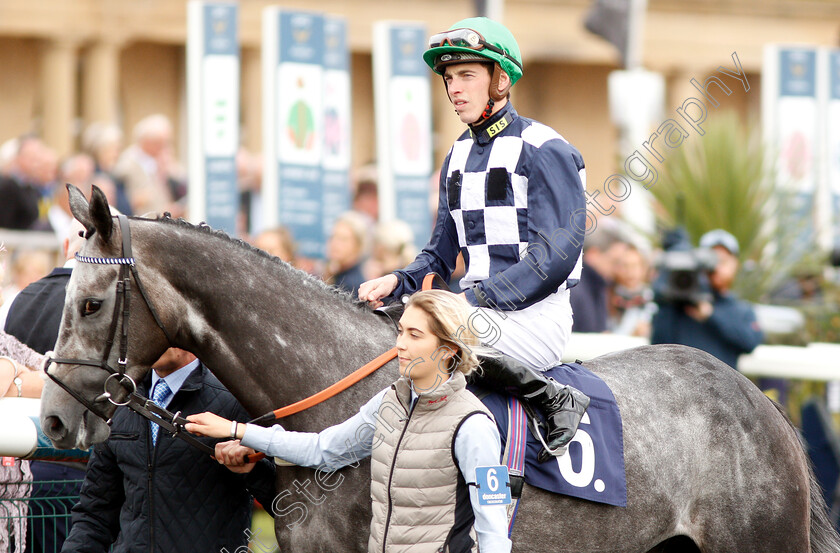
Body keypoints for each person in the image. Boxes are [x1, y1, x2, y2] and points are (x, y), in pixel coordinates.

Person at [358, 17, 589, 457]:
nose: (455, 89)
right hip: (474, 312)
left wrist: (476, 299)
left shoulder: (545, 148)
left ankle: (553, 397)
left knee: (433, 336)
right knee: (385, 329)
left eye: (467, 75)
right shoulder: (456, 157)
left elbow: (554, 257)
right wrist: (397, 281)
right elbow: (439, 256)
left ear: (501, 79)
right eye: (449, 78)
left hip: (536, 317)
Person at [186, 290, 511, 553]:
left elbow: (493, 526)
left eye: (414, 335)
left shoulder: (474, 425)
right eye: (400, 332)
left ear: (448, 350)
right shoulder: (388, 401)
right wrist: (237, 430)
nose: (400, 344)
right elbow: (323, 450)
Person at [61, 348, 277, 553]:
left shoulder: (238, 398)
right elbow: (95, 513)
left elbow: (284, 501)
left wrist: (253, 469)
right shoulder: (118, 400)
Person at [651, 229, 764, 369]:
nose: (716, 267)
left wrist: (710, 315)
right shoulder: (679, 307)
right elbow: (658, 346)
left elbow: (749, 342)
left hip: (723, 389)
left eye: (723, 261)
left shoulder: (741, 310)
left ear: (736, 264)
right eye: (710, 260)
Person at [324, 211, 371, 298]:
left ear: (358, 245)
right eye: (332, 237)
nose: (334, 243)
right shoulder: (337, 275)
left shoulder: (352, 285)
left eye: (343, 239)